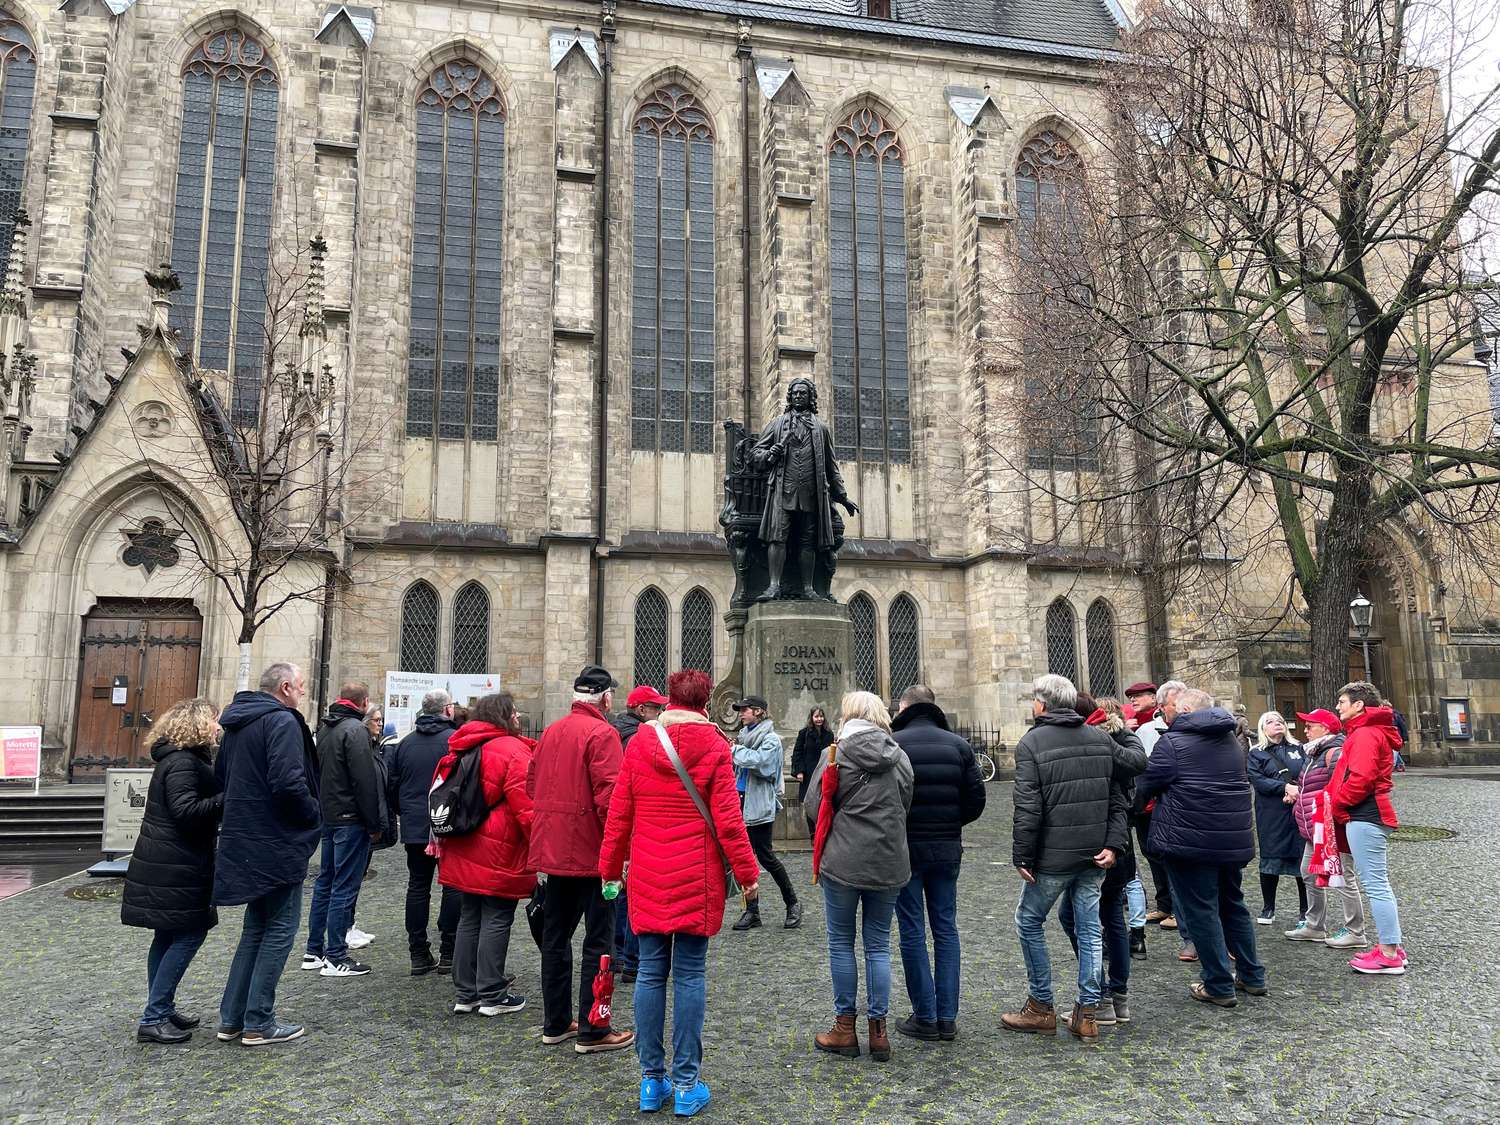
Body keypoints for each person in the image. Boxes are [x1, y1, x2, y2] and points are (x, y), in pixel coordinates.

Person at [600, 669, 762, 1118]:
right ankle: (688, 1084)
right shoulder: (714, 744)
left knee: (651, 973)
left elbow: (619, 814)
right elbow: (728, 820)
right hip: (696, 875)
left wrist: (610, 870)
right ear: (706, 703)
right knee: (690, 975)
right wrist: (748, 875)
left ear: (669, 700)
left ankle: (651, 1081)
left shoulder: (640, 743)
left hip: (649, 872)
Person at [1001, 675, 1143, 1041]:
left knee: (1029, 921)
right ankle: (1088, 1012)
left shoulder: (1032, 742)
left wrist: (1023, 856)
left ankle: (1040, 1006)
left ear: (1042, 704)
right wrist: (1114, 845)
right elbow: (1118, 799)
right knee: (1090, 928)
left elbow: (1028, 806)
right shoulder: (1100, 738)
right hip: (1095, 855)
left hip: (1054, 857)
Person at [1136, 688, 1267, 1008]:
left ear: (1183, 710)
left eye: (1168, 708)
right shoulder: (1230, 740)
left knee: (1200, 911)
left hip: (1189, 841)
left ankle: (1218, 984)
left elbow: (1145, 785)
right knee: (1232, 904)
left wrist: (1130, 812)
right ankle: (1252, 975)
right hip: (1229, 839)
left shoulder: (1173, 743)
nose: (1164, 713)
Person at [213, 662, 321, 1046]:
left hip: (246, 837)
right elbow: (289, 782)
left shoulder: (237, 724)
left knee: (255, 928)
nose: (303, 693)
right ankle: (258, 1021)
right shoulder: (282, 721)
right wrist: (313, 814)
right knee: (280, 928)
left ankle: (232, 1019)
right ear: (286, 687)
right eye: (301, 686)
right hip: (277, 840)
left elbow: (222, 779)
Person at [529, 664, 634, 1053]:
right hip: (592, 856)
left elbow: (531, 785)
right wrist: (621, 854)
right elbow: (611, 799)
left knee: (555, 939)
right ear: (605, 699)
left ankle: (556, 1023)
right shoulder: (603, 734)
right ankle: (594, 1028)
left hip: (554, 853)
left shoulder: (551, 731)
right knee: (599, 941)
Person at [805, 691, 914, 1062]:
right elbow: (905, 803)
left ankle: (845, 1027)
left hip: (844, 861)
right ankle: (878, 1033)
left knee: (841, 942)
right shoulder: (900, 757)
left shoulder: (834, 754)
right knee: (878, 945)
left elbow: (813, 805)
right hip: (889, 861)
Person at [121, 698, 225, 1044]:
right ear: (198, 724)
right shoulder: (183, 762)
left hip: (169, 860)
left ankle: (161, 1008)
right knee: (191, 932)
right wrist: (227, 798)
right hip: (176, 863)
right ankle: (154, 1016)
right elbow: (186, 811)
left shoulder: (179, 758)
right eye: (214, 720)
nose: (218, 727)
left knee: (166, 935)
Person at [888, 684, 985, 1042]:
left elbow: (887, 800)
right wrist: (951, 823)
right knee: (946, 928)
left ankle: (925, 1016)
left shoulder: (894, 744)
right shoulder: (958, 745)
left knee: (912, 929)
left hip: (907, 848)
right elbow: (976, 800)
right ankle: (947, 1016)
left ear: (904, 708)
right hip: (946, 848)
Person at [436, 693, 536, 1016]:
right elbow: (526, 808)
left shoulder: (464, 744)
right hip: (498, 848)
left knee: (470, 916)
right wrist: (541, 847)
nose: (518, 717)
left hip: (464, 845)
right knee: (497, 916)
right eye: (514, 712)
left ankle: (466, 993)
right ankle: (492, 993)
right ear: (504, 716)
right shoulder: (512, 750)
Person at [1057, 695, 1146, 1029]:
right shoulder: (1122, 739)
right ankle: (1118, 999)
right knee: (1111, 918)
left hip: (1100, 844)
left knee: (1076, 917)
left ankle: (1102, 997)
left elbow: (1122, 790)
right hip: (1119, 843)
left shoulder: (1095, 744)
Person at [1325, 681, 1407, 974]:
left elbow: (1361, 778)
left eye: (1343, 702)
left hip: (1365, 814)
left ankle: (1389, 953)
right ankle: (1391, 946)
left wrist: (1337, 804)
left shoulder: (1365, 733)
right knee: (1378, 883)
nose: (1338, 707)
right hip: (1368, 813)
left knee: (1376, 885)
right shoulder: (1368, 731)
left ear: (1359, 705)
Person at [301, 682, 381, 978]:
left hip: (330, 815)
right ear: (364, 702)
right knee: (343, 887)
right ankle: (335, 955)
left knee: (326, 883)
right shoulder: (355, 730)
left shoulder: (326, 728)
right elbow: (364, 781)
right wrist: (374, 823)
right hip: (350, 818)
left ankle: (314, 951)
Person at [387, 689, 462, 975]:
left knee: (418, 886)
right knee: (452, 886)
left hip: (416, 825)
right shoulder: (455, 741)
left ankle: (418, 953)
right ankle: (449, 951)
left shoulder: (405, 743)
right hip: (448, 824)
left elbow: (393, 786)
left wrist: (405, 813)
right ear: (447, 710)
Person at [1287, 709, 1367, 949]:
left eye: (1310, 726)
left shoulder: (1334, 752)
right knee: (1308, 872)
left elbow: (1341, 788)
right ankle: (1314, 925)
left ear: (1325, 728)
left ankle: (1355, 931)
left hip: (1332, 828)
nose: (1305, 730)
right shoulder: (1314, 753)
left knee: (1343, 877)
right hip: (1314, 828)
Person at [609, 685, 667, 983]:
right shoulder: (638, 738)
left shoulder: (614, 731)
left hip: (621, 820)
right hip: (635, 822)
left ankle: (619, 954)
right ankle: (631, 959)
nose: (661, 712)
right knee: (632, 894)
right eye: (656, 708)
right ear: (641, 710)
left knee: (620, 892)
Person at [729, 695, 802, 930]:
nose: (741, 714)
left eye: (745, 710)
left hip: (759, 806)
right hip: (740, 803)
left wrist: (735, 751)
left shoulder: (771, 739)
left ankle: (793, 903)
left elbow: (762, 764)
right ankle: (752, 911)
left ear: (758, 711)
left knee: (766, 857)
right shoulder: (743, 737)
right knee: (744, 860)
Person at [1247, 710, 1307, 926]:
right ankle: (1268, 908)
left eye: (1280, 720)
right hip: (1271, 812)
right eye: (1270, 722)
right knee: (1270, 858)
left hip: (1298, 809)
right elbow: (1257, 779)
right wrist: (1284, 788)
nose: (1277, 724)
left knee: (1302, 859)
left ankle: (1305, 910)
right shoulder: (1256, 753)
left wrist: (1296, 791)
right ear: (1263, 728)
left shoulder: (1299, 749)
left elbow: (1307, 773)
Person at [791, 707, 834, 802]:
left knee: (823, 800)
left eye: (821, 716)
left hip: (824, 771)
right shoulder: (804, 733)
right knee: (809, 801)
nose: (819, 719)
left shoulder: (829, 734)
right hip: (808, 772)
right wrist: (799, 771)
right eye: (816, 716)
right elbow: (797, 752)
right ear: (811, 717)